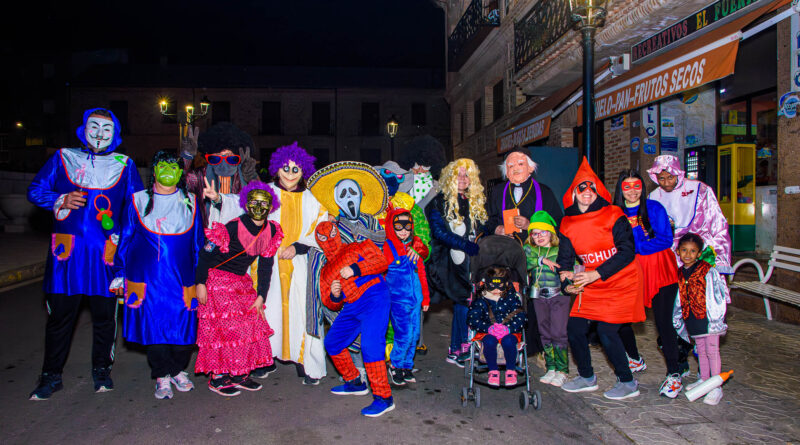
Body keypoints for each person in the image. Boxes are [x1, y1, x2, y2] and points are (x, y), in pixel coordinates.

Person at [27, 108, 144, 400]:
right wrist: (59, 198)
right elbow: (35, 190)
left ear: (115, 133)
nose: (100, 134)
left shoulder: (125, 164)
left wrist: (126, 256)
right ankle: (50, 376)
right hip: (66, 257)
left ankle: (101, 371)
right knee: (59, 319)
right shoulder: (63, 157)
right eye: (95, 127)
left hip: (106, 257)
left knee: (105, 319)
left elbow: (135, 211)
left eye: (107, 128)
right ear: (83, 128)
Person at [111, 151, 203, 399]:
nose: (168, 171)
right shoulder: (138, 200)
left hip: (182, 278)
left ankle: (177, 368)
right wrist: (119, 272)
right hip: (146, 278)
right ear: (154, 170)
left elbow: (198, 243)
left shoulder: (191, 201)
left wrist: (202, 278)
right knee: (153, 326)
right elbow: (125, 239)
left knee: (185, 326)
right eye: (163, 166)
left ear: (181, 173)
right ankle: (163, 374)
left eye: (174, 167)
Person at [557, 158, 645, 400]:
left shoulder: (614, 214)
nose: (587, 192)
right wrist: (566, 283)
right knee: (574, 328)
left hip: (621, 279)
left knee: (607, 331)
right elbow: (564, 260)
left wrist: (596, 273)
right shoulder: (566, 223)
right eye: (581, 188)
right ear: (573, 193)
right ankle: (586, 377)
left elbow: (627, 252)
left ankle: (627, 381)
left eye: (591, 187)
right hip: (589, 283)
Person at [194, 181, 283, 396]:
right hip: (217, 279)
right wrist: (200, 283)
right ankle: (218, 377)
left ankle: (239, 373)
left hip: (240, 282)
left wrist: (261, 295)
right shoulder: (233, 225)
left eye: (264, 203)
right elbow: (206, 254)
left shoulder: (272, 230)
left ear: (271, 206)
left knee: (251, 323)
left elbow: (266, 265)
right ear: (246, 204)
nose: (259, 208)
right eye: (254, 203)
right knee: (226, 330)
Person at [486, 147, 562, 358]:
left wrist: (531, 225)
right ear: (505, 171)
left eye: (520, 164)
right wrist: (497, 229)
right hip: (504, 256)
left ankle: (533, 346)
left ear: (530, 168)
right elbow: (489, 219)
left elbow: (557, 222)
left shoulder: (544, 192)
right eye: (510, 165)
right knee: (503, 296)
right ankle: (503, 339)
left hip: (534, 256)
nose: (515, 168)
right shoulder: (498, 191)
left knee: (534, 301)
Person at [262, 142, 328, 385]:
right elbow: (245, 218)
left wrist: (297, 247)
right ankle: (264, 357)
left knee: (302, 310)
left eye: (295, 169)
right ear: (276, 168)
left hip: (301, 263)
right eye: (285, 168)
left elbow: (321, 229)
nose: (289, 174)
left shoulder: (313, 200)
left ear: (304, 172)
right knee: (268, 309)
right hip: (266, 264)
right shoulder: (264, 193)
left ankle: (305, 361)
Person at [612, 170, 683, 398]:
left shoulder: (654, 208)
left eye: (637, 186)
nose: (633, 191)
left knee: (663, 324)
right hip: (630, 272)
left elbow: (666, 239)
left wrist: (636, 245)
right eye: (627, 187)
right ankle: (634, 358)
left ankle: (674, 373)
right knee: (621, 321)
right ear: (620, 190)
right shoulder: (614, 213)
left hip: (659, 270)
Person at [315, 221, 394, 417]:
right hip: (351, 305)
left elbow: (382, 261)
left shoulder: (358, 245)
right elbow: (330, 303)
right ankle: (354, 382)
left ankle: (384, 398)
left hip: (374, 295)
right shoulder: (325, 272)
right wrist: (335, 295)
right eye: (324, 237)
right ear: (319, 242)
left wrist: (356, 269)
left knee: (371, 345)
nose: (330, 240)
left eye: (332, 233)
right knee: (333, 343)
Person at [427, 158, 486, 367]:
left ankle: (457, 348)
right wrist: (463, 244)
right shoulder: (439, 201)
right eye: (458, 174)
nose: (462, 178)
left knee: (468, 301)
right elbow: (439, 232)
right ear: (450, 177)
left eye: (466, 175)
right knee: (464, 300)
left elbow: (482, 228)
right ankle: (462, 348)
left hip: (473, 261)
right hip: (449, 261)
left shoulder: (474, 200)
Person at [647, 155, 731, 274]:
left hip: (697, 251)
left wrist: (720, 258)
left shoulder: (699, 189)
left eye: (670, 177)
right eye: (661, 178)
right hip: (669, 254)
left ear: (678, 174)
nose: (666, 183)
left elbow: (717, 223)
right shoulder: (653, 197)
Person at [673, 233, 730, 405]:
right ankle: (704, 379)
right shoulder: (680, 272)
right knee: (701, 350)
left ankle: (716, 386)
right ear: (678, 251)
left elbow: (716, 296)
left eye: (692, 251)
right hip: (692, 318)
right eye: (684, 250)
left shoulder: (707, 270)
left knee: (712, 351)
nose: (688, 255)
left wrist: (716, 318)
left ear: (699, 253)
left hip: (708, 318)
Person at [382, 205, 430, 386]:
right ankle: (395, 365)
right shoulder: (387, 248)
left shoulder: (414, 247)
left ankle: (407, 365)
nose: (403, 231)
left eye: (407, 225)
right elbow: (381, 274)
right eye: (398, 226)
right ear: (391, 226)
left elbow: (422, 274)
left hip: (416, 301)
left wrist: (425, 298)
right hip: (398, 302)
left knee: (415, 334)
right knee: (404, 334)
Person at [181, 122, 259, 226]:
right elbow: (179, 181)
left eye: (230, 158)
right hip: (208, 234)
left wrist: (252, 177)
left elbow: (262, 198)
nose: (224, 163)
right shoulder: (200, 175)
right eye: (216, 158)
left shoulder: (243, 176)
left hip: (239, 234)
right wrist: (187, 157)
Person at [524, 211, 569, 387]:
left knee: (558, 332)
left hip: (559, 296)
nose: (539, 236)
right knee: (545, 332)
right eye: (535, 233)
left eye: (543, 232)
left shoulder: (560, 249)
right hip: (538, 296)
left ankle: (562, 370)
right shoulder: (530, 249)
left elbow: (570, 266)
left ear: (551, 233)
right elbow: (524, 261)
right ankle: (551, 367)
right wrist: (541, 260)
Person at [467, 266, 527, 387]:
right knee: (489, 341)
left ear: (505, 284)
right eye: (491, 285)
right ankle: (493, 370)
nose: (495, 290)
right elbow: (472, 318)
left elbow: (521, 316)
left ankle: (511, 370)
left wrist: (509, 328)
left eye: (499, 286)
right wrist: (487, 327)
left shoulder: (512, 298)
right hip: (487, 332)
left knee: (509, 341)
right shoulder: (481, 300)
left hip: (509, 331)